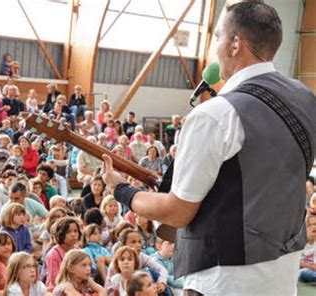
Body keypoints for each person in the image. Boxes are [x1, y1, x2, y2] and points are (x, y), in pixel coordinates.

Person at [101, 2, 316, 295]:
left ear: (236, 43)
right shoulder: (305, 98)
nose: (215, 47)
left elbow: (177, 212)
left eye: (217, 37)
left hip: (224, 279)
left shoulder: (216, 114)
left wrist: (121, 191)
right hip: (281, 274)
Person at [45, 217, 81, 290]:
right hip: (58, 289)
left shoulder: (79, 251)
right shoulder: (53, 254)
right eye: (68, 232)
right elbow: (54, 280)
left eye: (75, 231)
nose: (73, 235)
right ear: (60, 234)